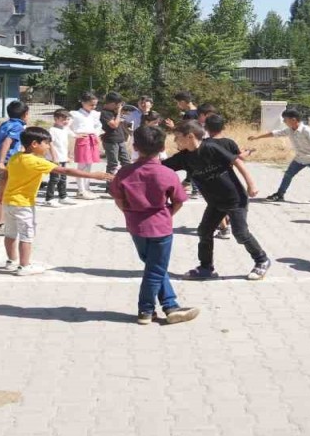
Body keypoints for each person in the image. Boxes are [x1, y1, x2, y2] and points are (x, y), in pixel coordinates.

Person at [109, 125, 201, 325]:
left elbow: (118, 199)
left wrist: (129, 213)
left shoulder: (125, 172)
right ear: (162, 148)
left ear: (135, 146)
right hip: (160, 227)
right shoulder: (167, 173)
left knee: (154, 267)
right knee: (155, 270)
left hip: (136, 227)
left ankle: (170, 305)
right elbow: (179, 201)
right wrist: (167, 214)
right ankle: (145, 310)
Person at [164, 121, 270, 281]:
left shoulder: (210, 147)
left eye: (177, 137)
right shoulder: (183, 157)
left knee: (240, 233)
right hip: (215, 202)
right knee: (204, 231)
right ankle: (206, 268)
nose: (174, 141)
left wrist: (251, 184)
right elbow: (161, 167)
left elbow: (237, 161)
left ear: (190, 136)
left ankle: (262, 260)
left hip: (235, 199)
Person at [0, 127, 112, 276]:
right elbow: (65, 171)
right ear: (34, 144)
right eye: (46, 143)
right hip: (23, 205)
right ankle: (24, 266)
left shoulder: (15, 157)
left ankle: (11, 262)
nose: (48, 146)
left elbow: (5, 175)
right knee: (27, 235)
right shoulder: (36, 161)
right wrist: (93, 175)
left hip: (8, 202)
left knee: (10, 234)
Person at [249, 109, 310, 207]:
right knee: (288, 175)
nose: (284, 121)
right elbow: (274, 133)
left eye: (285, 119)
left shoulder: (308, 131)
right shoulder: (289, 130)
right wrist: (257, 137)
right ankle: (280, 194)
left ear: (293, 120)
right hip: (299, 158)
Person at [203, 113, 254, 240]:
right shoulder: (229, 143)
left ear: (206, 127)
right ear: (223, 127)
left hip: (210, 180)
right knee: (228, 203)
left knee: (216, 205)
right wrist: (249, 152)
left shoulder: (204, 144)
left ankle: (224, 229)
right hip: (229, 180)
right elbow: (239, 158)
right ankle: (229, 225)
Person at [0, 101, 28, 228]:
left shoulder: (5, 124)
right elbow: (7, 142)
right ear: (25, 115)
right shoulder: (18, 127)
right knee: (3, 192)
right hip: (3, 162)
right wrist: (1, 162)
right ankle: (0, 224)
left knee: (4, 190)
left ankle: (3, 221)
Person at [69, 92, 103, 200]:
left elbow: (98, 125)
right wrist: (75, 135)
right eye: (91, 104)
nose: (94, 107)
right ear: (83, 103)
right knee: (82, 166)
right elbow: (67, 126)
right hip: (83, 139)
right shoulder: (75, 114)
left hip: (92, 138)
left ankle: (87, 188)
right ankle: (81, 190)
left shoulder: (95, 114)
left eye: (95, 104)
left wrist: (96, 134)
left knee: (89, 165)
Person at [45, 109, 75, 207]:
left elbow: (68, 141)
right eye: (63, 119)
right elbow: (50, 145)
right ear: (56, 119)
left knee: (63, 178)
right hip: (54, 159)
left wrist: (68, 156)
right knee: (54, 179)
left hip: (63, 158)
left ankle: (63, 197)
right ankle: (49, 199)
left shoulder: (65, 129)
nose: (66, 121)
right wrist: (54, 158)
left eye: (67, 119)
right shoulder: (52, 130)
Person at [100, 92, 132, 176]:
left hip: (120, 140)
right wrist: (119, 113)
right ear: (112, 103)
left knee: (126, 162)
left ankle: (125, 181)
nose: (119, 106)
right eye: (118, 104)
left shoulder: (115, 111)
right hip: (110, 141)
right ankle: (109, 183)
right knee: (113, 164)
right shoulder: (104, 113)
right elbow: (114, 125)